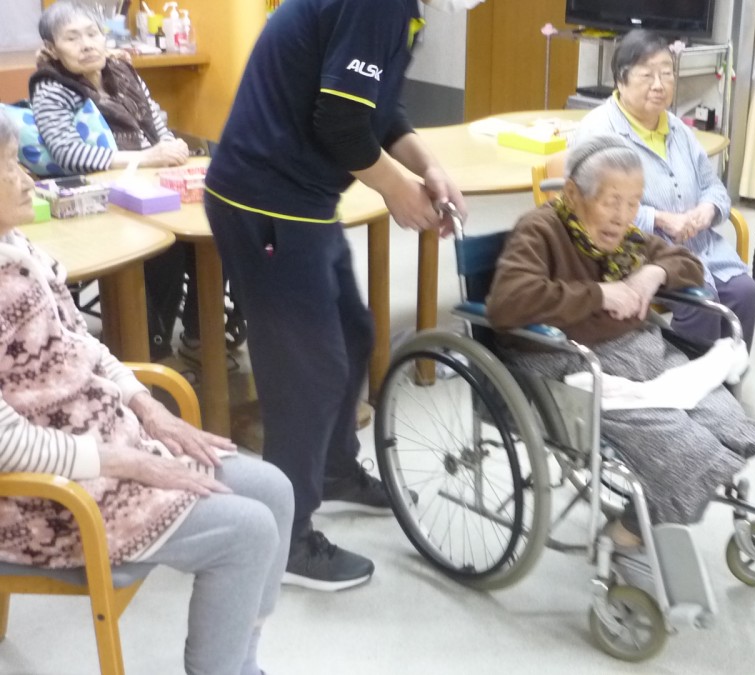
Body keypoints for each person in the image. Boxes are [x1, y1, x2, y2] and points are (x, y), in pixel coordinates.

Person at [0, 113, 292, 675]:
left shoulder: (18, 248)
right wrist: (129, 461)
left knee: (274, 490)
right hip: (49, 501)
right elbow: (6, 444)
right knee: (247, 532)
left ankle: (241, 662)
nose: (28, 180)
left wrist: (148, 409)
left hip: (110, 445)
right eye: (10, 167)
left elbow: (81, 346)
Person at [204, 0, 474, 591]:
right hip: (265, 200)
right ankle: (287, 536)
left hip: (301, 200)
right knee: (308, 369)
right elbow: (341, 122)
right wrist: (397, 189)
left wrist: (427, 167)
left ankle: (331, 469)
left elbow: (378, 109)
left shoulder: (401, 9)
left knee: (353, 336)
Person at [487, 134, 755, 558]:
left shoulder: (626, 238)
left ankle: (649, 514)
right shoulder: (540, 229)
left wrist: (653, 274)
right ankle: (631, 531)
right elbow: (508, 302)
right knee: (686, 448)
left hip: (641, 356)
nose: (622, 216)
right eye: (611, 201)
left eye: (634, 203)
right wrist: (598, 294)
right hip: (569, 366)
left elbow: (686, 262)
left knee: (727, 419)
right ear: (573, 194)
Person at [29, 1, 198, 363]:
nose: (86, 44)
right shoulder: (51, 87)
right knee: (162, 249)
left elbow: (155, 123)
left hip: (149, 185)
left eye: (92, 34)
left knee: (210, 232)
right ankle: (149, 349)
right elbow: (68, 153)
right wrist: (145, 157)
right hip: (98, 200)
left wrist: (170, 147)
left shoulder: (122, 71)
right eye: (72, 38)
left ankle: (200, 334)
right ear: (52, 49)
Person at [576, 29, 755, 349]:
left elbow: (712, 185)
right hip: (635, 250)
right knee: (701, 301)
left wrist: (708, 209)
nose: (659, 85)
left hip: (697, 244)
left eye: (666, 73)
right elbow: (592, 208)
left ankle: (730, 374)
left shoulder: (677, 128)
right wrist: (659, 219)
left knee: (746, 293)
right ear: (621, 81)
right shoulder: (599, 132)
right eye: (647, 75)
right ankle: (692, 378)